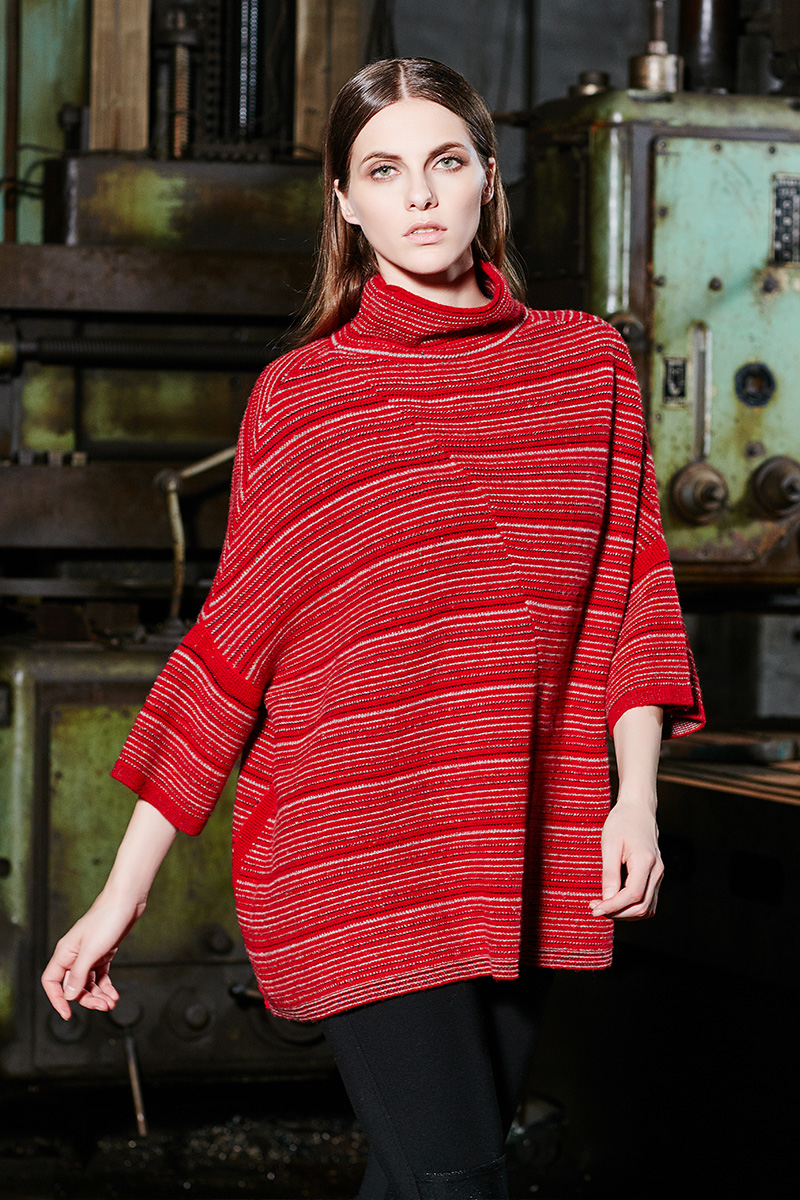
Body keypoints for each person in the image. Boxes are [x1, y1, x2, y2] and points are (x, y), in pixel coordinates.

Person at [42, 57, 703, 1200]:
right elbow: (227, 656)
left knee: (425, 1180)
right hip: (356, 847)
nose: (420, 195)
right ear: (345, 202)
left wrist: (633, 798)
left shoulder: (585, 368)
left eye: (444, 161)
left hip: (522, 842)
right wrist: (120, 896)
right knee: (455, 1184)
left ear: (487, 176)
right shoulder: (306, 397)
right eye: (383, 171)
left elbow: (631, 592)